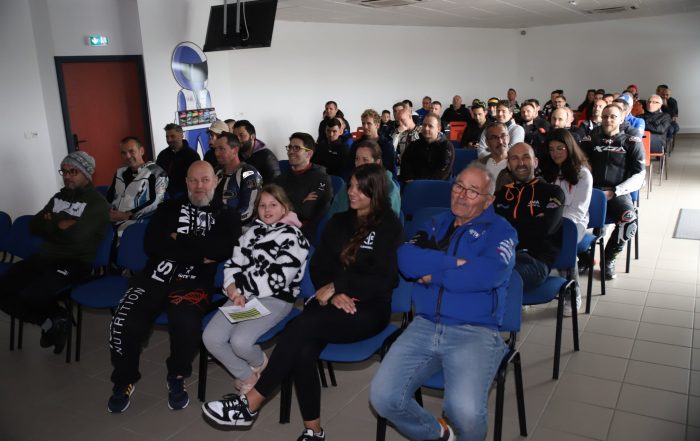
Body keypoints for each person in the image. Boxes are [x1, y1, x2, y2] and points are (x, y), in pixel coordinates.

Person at [202, 164, 404, 441]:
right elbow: (319, 266)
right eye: (351, 185)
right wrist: (333, 291)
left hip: (368, 309)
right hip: (330, 303)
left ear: (375, 191)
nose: (351, 191)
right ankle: (314, 431)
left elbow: (385, 279)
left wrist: (340, 286)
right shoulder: (339, 222)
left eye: (359, 188)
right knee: (302, 349)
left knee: (299, 327)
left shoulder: (389, 225)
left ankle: (251, 402)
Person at [370, 163, 517, 441]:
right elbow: (405, 259)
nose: (461, 194)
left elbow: (488, 274)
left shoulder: (501, 231)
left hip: (474, 330)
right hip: (424, 324)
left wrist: (434, 275)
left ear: (488, 201)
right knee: (383, 397)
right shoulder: (435, 222)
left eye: (472, 191)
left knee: (465, 414)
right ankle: (439, 434)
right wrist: (455, 264)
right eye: (459, 185)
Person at [107, 161, 241, 413]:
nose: (199, 186)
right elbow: (151, 244)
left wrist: (178, 239)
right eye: (193, 180)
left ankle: (177, 375)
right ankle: (124, 379)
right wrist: (199, 250)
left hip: (194, 281)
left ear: (216, 181)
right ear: (186, 182)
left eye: (205, 180)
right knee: (123, 321)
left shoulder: (228, 216)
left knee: (186, 324)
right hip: (154, 277)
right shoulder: (169, 207)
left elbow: (221, 250)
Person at [202, 184, 310, 395]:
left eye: (273, 205)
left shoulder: (293, 236)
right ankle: (249, 377)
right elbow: (233, 263)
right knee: (211, 338)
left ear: (284, 208)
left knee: (240, 342)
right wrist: (232, 288)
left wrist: (241, 289)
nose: (267, 210)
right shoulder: (252, 232)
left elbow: (278, 278)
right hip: (242, 295)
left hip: (275, 299)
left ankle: (259, 363)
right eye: (262, 205)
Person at [0, 151, 109, 354]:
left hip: (75, 262)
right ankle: (53, 321)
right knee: (3, 289)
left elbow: (77, 236)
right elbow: (34, 226)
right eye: (64, 172)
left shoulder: (97, 204)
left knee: (32, 293)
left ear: (86, 174)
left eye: (73, 172)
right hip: (45, 256)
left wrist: (52, 220)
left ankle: (56, 319)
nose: (67, 176)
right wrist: (62, 224)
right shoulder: (59, 197)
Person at [580, 104, 645, 280]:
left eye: (613, 117)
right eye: (605, 116)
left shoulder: (632, 141)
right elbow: (578, 168)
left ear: (622, 118)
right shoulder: (589, 140)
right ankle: (584, 256)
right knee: (566, 217)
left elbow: (640, 175)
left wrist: (615, 192)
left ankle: (608, 259)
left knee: (629, 221)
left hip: (618, 192)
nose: (608, 120)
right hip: (591, 192)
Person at [495, 143, 564, 290]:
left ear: (535, 162)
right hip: (501, 257)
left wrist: (508, 225)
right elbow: (490, 229)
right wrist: (532, 221)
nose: (521, 163)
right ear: (508, 165)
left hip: (534, 261)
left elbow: (545, 229)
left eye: (526, 157)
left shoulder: (553, 192)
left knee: (493, 276)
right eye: (514, 158)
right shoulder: (500, 195)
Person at [540, 129, 593, 315]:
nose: (555, 153)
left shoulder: (583, 174)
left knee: (563, 241)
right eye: (551, 149)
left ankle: (572, 291)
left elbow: (578, 211)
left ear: (569, 148)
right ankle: (540, 279)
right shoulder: (549, 171)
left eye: (560, 148)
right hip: (551, 220)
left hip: (574, 223)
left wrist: (552, 222)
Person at [275, 132, 332, 241]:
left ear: (309, 154)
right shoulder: (281, 179)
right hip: (276, 227)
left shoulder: (321, 179)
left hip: (301, 233)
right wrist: (301, 201)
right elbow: (269, 207)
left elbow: (306, 212)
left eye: (297, 148)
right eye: (290, 147)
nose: (291, 151)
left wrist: (284, 206)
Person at [107, 137, 168, 237]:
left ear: (141, 151)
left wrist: (128, 215)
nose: (127, 156)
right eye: (123, 153)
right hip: (114, 222)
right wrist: (109, 212)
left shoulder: (157, 172)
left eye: (131, 151)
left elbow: (157, 203)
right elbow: (109, 198)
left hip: (139, 223)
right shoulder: (119, 172)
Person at [329, 140, 401, 217]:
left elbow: (388, 220)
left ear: (377, 162)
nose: (359, 164)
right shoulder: (349, 185)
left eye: (365, 160)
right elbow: (333, 214)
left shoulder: (390, 189)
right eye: (357, 159)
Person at [212, 132, 263, 228]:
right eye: (215, 149)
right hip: (215, 226)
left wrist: (221, 222)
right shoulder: (216, 172)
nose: (216, 153)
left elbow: (250, 210)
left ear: (235, 150)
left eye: (221, 149)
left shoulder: (249, 173)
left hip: (241, 229)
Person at [399, 112, 455, 183]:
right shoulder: (414, 145)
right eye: (424, 125)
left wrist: (422, 183)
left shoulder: (447, 147)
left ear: (439, 129)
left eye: (430, 126)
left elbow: (442, 173)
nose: (426, 128)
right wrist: (410, 179)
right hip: (413, 184)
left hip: (437, 185)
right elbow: (405, 165)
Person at [156, 123, 200, 197]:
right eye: (167, 137)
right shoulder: (162, 155)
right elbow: (158, 177)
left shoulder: (192, 156)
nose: (169, 140)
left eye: (172, 136)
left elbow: (197, 179)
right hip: (165, 198)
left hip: (186, 198)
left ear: (181, 135)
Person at [350, 109, 396, 177]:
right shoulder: (356, 144)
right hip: (359, 178)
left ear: (377, 125)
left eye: (369, 123)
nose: (365, 127)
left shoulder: (387, 145)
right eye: (363, 123)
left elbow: (390, 169)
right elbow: (350, 166)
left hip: (380, 179)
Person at [233, 120, 280, 184]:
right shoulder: (237, 154)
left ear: (252, 137)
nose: (238, 139)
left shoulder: (267, 157)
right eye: (235, 137)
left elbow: (274, 186)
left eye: (241, 135)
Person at [479, 123, 512, 191]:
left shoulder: (517, 164)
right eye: (494, 138)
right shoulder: (479, 165)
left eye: (503, 136)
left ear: (508, 138)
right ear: (487, 143)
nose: (500, 141)